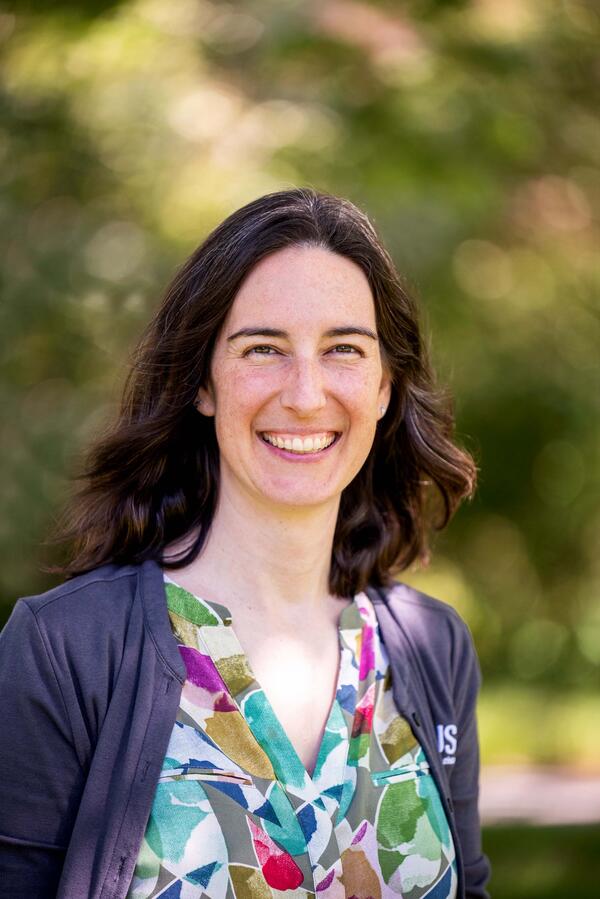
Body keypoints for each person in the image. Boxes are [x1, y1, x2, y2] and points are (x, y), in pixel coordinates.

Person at [0, 188, 491, 898]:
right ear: (203, 381)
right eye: (264, 348)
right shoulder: (64, 651)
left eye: (343, 349)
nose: (305, 393)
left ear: (385, 384)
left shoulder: (432, 647)